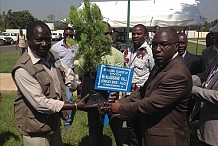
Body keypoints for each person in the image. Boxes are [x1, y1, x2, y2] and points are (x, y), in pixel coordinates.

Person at [103, 27, 192, 146]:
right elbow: (142, 92)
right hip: (151, 133)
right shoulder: (160, 65)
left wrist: (120, 108)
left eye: (163, 44)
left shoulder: (177, 75)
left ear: (176, 46)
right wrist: (121, 101)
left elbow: (150, 104)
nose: (157, 49)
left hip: (167, 140)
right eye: (154, 45)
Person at [11, 21, 89, 146]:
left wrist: (80, 86)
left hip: (53, 122)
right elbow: (40, 103)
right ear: (28, 39)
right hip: (35, 127)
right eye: (39, 40)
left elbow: (65, 71)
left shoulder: (51, 55)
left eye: (48, 40)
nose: (44, 44)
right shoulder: (23, 69)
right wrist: (74, 106)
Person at [78, 22, 127, 146]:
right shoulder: (88, 53)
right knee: (95, 134)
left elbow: (119, 78)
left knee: (119, 133)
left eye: (110, 33)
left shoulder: (117, 54)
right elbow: (81, 71)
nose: (108, 36)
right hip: (93, 99)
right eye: (105, 33)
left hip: (112, 99)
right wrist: (89, 55)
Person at [123, 24, 154, 146]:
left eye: (139, 33)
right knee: (131, 127)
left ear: (145, 36)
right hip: (128, 95)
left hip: (141, 96)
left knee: (141, 127)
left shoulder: (149, 52)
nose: (135, 36)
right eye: (133, 33)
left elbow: (154, 74)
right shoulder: (128, 51)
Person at [190, 23, 218, 146]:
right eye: (214, 35)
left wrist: (193, 90)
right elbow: (205, 75)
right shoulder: (216, 56)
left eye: (217, 35)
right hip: (206, 124)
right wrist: (185, 79)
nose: (214, 39)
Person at [51, 26, 78, 132]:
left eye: (70, 35)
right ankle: (55, 119)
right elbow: (52, 59)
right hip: (57, 74)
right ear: (63, 35)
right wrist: (61, 70)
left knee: (69, 98)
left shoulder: (76, 47)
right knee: (56, 97)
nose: (68, 37)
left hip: (69, 76)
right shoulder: (56, 47)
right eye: (66, 34)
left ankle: (67, 121)